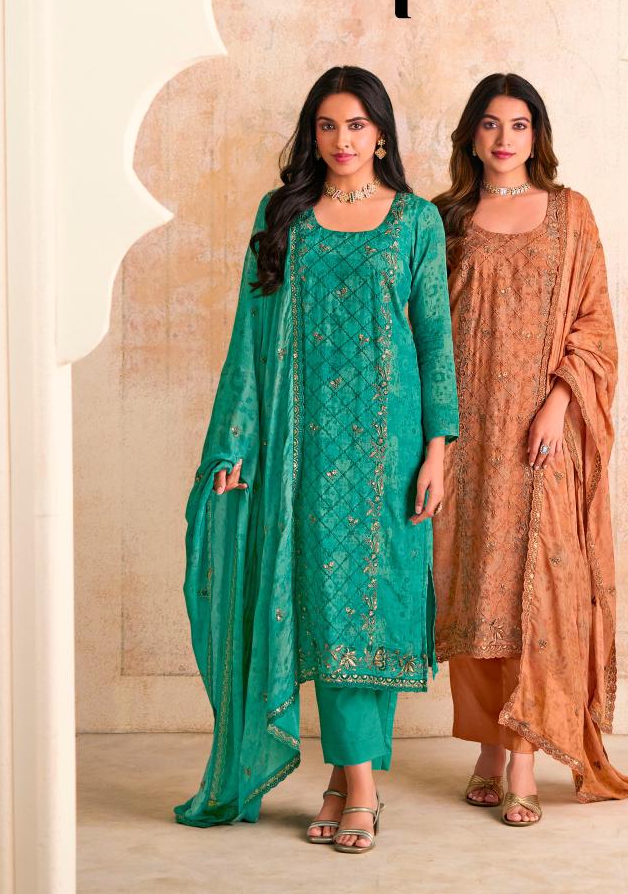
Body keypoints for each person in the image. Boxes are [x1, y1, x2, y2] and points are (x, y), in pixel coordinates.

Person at [174, 65, 459, 853]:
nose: (342, 140)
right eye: (327, 126)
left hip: (389, 450)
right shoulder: (283, 216)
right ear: (312, 134)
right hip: (301, 450)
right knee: (324, 608)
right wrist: (237, 440)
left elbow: (435, 339)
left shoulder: (414, 221)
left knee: (369, 612)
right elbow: (250, 335)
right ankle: (351, 783)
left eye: (357, 125)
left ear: (382, 135)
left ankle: (353, 783)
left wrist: (438, 451)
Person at [432, 72, 628, 827]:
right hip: (466, 432)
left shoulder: (571, 213)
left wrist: (557, 404)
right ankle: (488, 746)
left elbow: (596, 324)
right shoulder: (445, 218)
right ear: (471, 134)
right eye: (490, 123)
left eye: (519, 124)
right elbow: (425, 326)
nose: (504, 138)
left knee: (538, 591)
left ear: (537, 135)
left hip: (542, 439)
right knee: (472, 587)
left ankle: (523, 758)